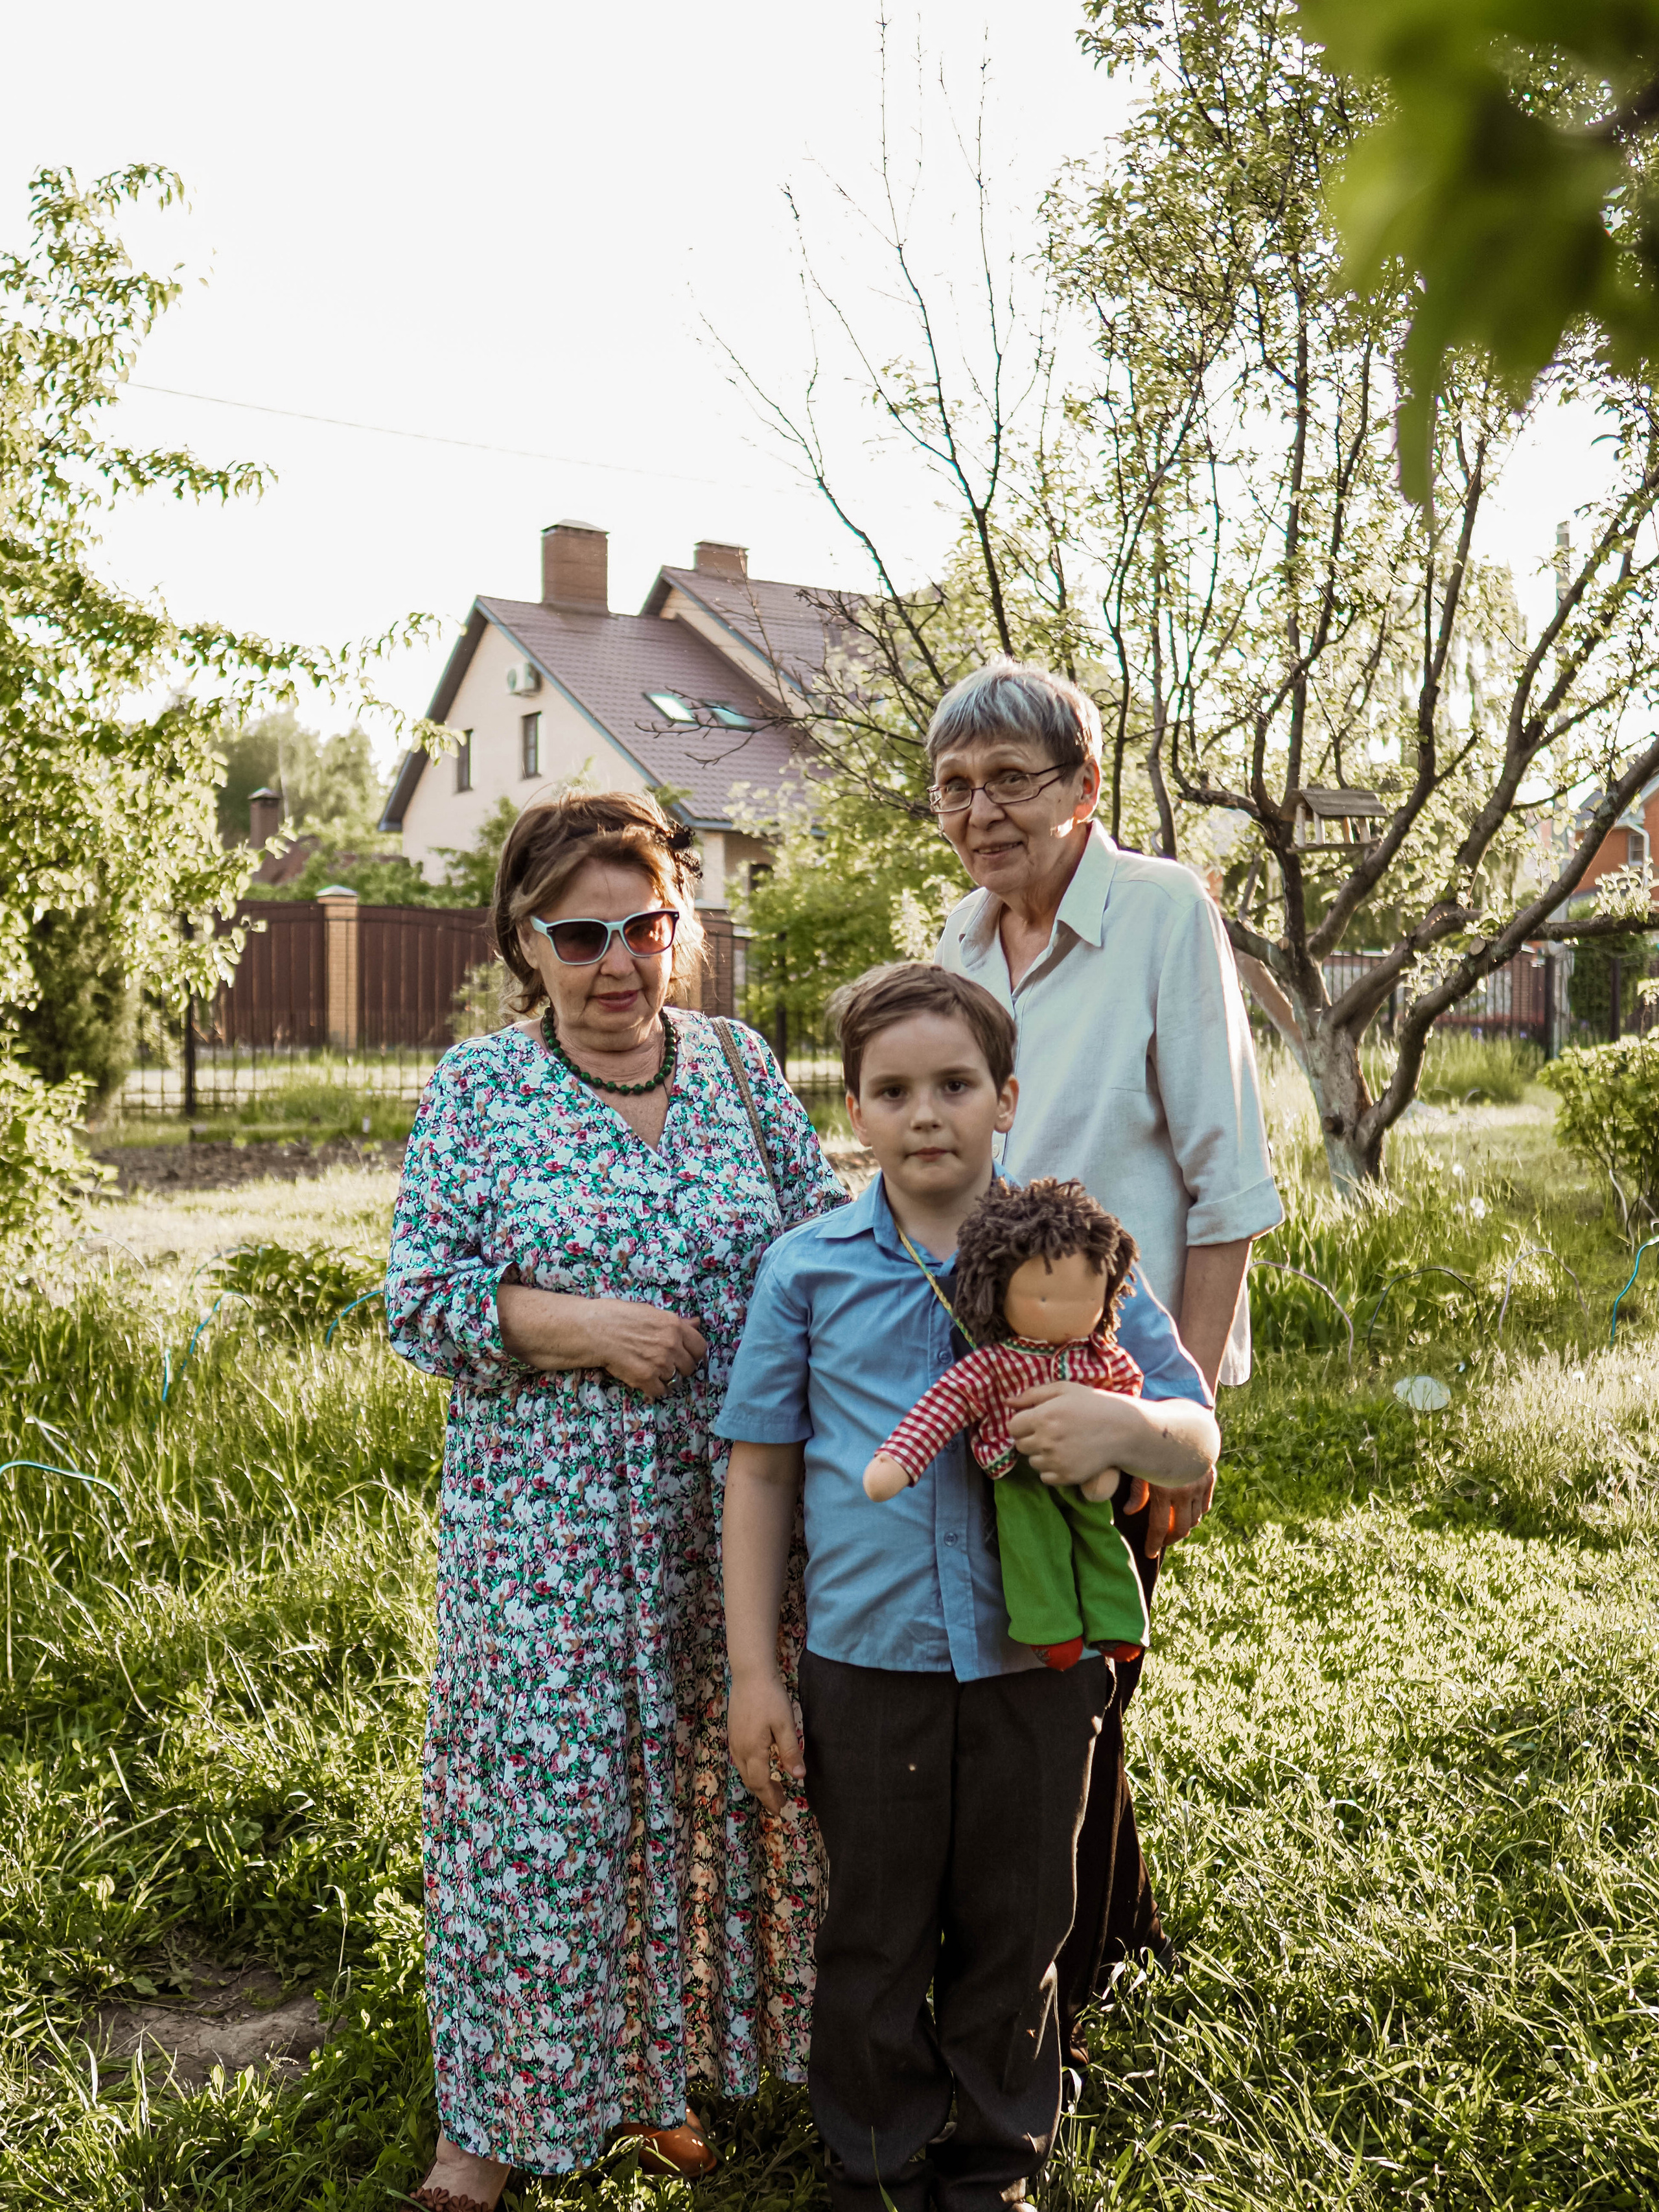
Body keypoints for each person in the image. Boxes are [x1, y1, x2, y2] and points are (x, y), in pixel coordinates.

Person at [386, 790, 846, 2211]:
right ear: (525, 943)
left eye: (644, 925)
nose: (615, 962)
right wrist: (584, 1327)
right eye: (578, 933)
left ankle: (652, 2084)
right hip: (551, 1539)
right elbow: (419, 1298)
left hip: (739, 1519)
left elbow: (833, 1247)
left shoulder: (740, 1068)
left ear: (683, 925)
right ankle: (489, 2129)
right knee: (544, 1817)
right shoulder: (476, 1089)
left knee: (715, 1796)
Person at [719, 962, 1219, 2212]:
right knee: (876, 1924)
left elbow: (1192, 1431)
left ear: (1008, 1097)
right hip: (867, 1656)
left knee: (1019, 1917)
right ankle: (876, 2160)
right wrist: (753, 1675)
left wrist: (1122, 1429)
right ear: (854, 1112)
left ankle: (998, 2155)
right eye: (893, 1089)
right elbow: (763, 1477)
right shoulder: (809, 1271)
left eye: (955, 1084)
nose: (925, 1112)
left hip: (1036, 1664)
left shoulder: (1081, 1255)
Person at [927, 657, 1282, 2025]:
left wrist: (1176, 1413)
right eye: (954, 788)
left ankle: (1061, 1984)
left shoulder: (1157, 911)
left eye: (1011, 780)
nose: (980, 812)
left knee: (1069, 1675)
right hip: (994, 1377)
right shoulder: (953, 942)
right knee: (1055, 1666)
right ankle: (1121, 1930)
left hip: (1120, 1369)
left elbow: (1225, 1174)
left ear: (1082, 789)